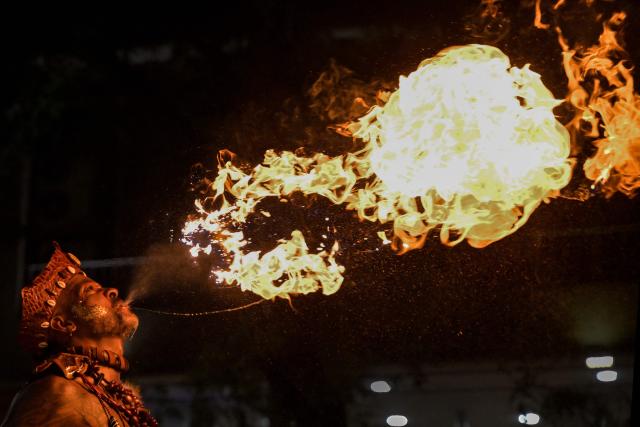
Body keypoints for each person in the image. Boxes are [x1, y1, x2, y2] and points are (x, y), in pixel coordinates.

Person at [1, 243, 157, 427]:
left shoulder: (123, 404)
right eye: (89, 290)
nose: (112, 291)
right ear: (64, 324)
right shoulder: (57, 393)